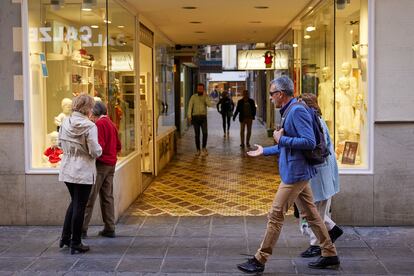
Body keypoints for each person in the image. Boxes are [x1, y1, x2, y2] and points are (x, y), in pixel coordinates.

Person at [237, 76, 340, 273]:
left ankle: (260, 259)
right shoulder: (289, 110)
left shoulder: (297, 111)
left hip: (296, 174)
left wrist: (281, 139)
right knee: (312, 215)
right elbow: (288, 144)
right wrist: (265, 151)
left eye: (271, 94)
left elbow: (308, 142)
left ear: (281, 94)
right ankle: (330, 253)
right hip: (296, 172)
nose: (270, 98)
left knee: (276, 215)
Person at [297, 93, 343, 258]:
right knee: (315, 210)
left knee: (316, 212)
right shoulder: (317, 120)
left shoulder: (315, 122)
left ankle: (317, 245)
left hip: (320, 172)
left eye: (300, 104)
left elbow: (316, 148)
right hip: (322, 171)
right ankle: (333, 230)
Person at [58, 95, 102, 255]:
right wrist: (100, 150)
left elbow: (59, 144)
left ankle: (65, 237)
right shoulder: (90, 126)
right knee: (79, 206)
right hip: (83, 170)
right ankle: (75, 242)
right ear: (88, 108)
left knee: (74, 203)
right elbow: (95, 151)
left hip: (67, 168)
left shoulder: (65, 122)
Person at [82, 101, 121, 238]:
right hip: (111, 164)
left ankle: (82, 229)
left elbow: (99, 147)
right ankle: (110, 227)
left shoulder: (99, 124)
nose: (90, 115)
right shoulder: (111, 123)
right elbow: (118, 146)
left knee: (90, 197)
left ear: (95, 112)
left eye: (91, 112)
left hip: (101, 165)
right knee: (107, 197)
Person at [187, 83, 212, 156]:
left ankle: (204, 148)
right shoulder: (193, 97)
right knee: (197, 135)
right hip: (195, 118)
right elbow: (190, 106)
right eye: (199, 89)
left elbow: (209, 105)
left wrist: (206, 97)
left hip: (203, 117)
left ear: (203, 89)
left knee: (205, 133)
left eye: (201, 89)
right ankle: (198, 150)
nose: (200, 90)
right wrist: (189, 116)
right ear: (197, 89)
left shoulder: (205, 96)